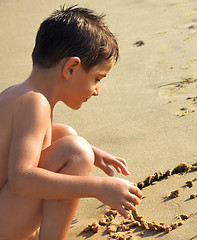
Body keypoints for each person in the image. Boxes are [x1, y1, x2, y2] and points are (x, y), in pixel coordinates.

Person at [0, 5, 142, 240]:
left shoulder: (18, 94)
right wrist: (98, 188)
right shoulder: (36, 104)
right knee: (76, 152)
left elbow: (29, 144)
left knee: (67, 134)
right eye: (97, 79)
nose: (97, 91)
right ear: (70, 68)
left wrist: (93, 151)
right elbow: (21, 179)